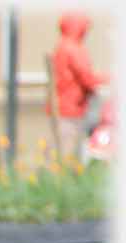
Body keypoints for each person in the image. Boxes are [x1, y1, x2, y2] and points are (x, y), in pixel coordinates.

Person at [53, 13, 109, 162]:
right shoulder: (72, 49)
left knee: (69, 150)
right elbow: (87, 78)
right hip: (72, 107)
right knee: (71, 152)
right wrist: (110, 79)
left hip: (67, 105)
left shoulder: (63, 46)